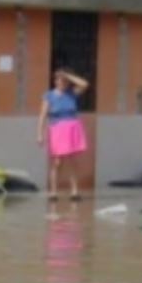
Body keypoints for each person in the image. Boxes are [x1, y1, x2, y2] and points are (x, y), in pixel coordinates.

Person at [39, 69, 91, 200]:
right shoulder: (49, 96)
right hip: (57, 128)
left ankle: (74, 192)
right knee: (57, 162)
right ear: (55, 81)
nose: (61, 82)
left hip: (72, 127)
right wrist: (39, 134)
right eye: (59, 80)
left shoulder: (71, 93)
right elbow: (43, 115)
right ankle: (53, 192)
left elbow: (84, 84)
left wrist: (68, 75)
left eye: (64, 81)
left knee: (73, 161)